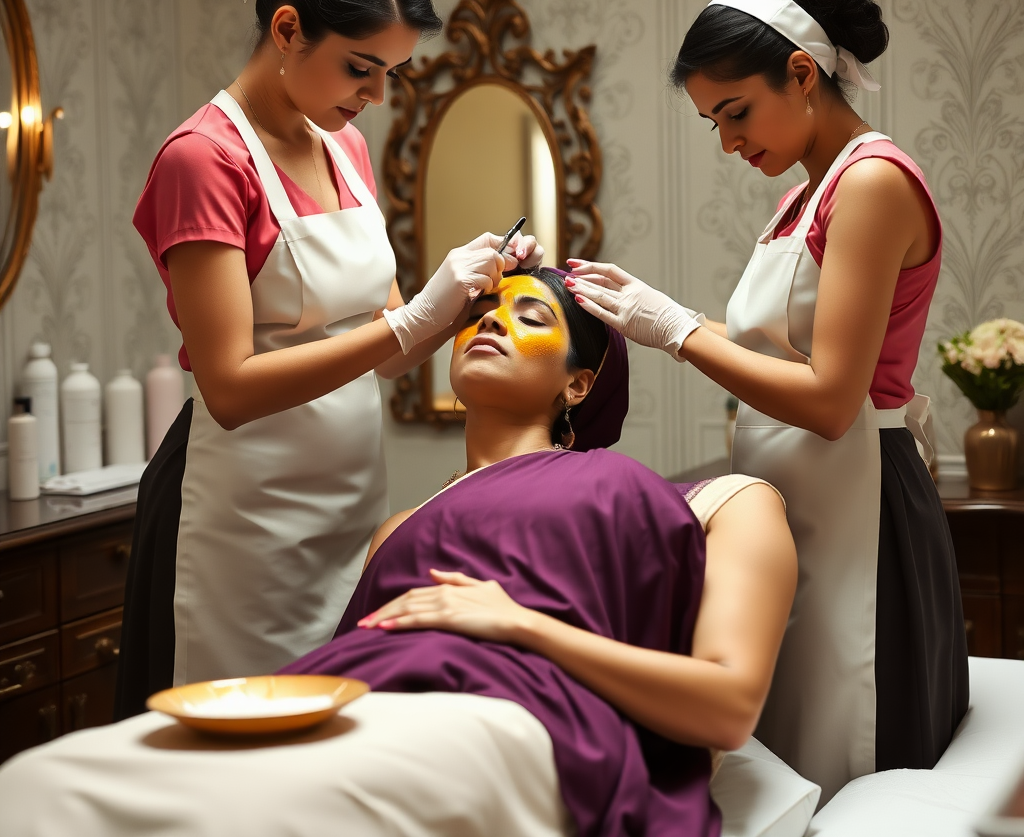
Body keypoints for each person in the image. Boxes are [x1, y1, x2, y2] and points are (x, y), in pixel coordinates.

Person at [1, 269, 797, 837]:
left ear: (578, 385)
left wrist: (521, 624)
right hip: (352, 701)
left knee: (250, 813)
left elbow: (724, 710)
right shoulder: (405, 526)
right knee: (44, 783)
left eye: (527, 318)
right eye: (482, 310)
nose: (488, 320)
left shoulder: (710, 505)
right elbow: (351, 657)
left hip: (502, 726)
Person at [116, 0, 541, 719]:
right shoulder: (203, 159)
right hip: (240, 526)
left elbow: (389, 347)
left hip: (346, 511)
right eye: (362, 67)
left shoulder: (343, 147)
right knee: (243, 756)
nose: (376, 96)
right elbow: (231, 387)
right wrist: (412, 318)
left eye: (391, 72)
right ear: (286, 29)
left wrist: (466, 290)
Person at [567, 0, 969, 801]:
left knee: (846, 749)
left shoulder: (870, 182)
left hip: (859, 503)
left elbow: (829, 401)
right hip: (788, 505)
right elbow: (773, 355)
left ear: (801, 71)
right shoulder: (804, 195)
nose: (728, 141)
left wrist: (675, 332)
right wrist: (646, 306)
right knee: (780, 742)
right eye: (714, 121)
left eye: (736, 112)